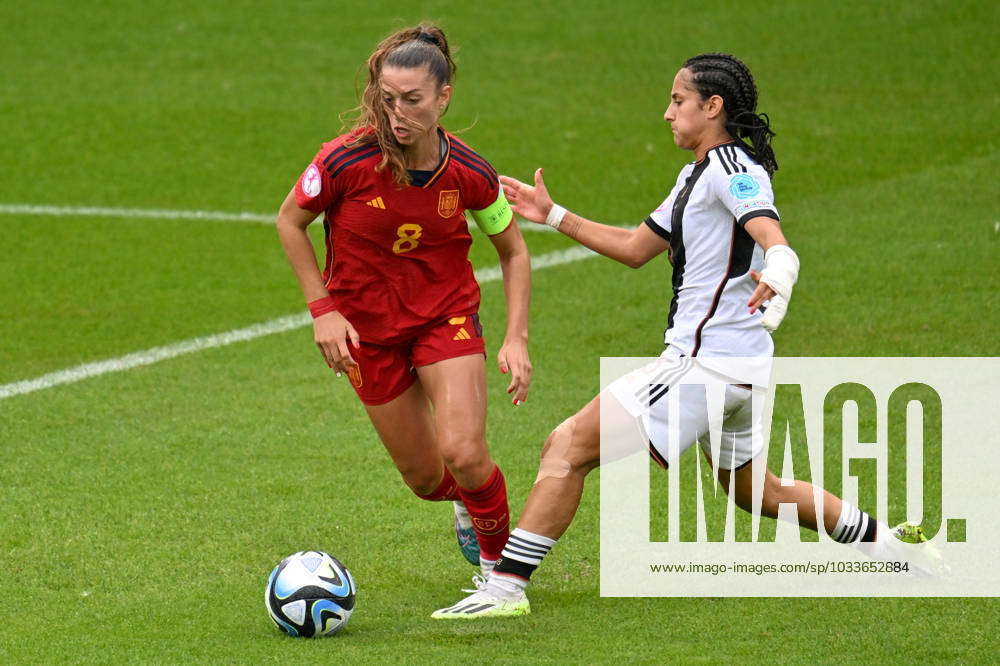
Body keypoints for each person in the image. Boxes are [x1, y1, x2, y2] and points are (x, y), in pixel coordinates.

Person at [432, 52, 927, 619]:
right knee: (756, 493)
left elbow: (767, 227)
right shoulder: (698, 173)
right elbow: (636, 248)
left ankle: (504, 588)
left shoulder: (731, 169)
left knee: (566, 448)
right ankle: (889, 546)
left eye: (677, 101)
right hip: (742, 372)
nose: (667, 114)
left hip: (703, 366)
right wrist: (554, 214)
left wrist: (782, 262)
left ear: (712, 107)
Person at [276, 24, 532, 577]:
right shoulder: (344, 160)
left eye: (413, 100)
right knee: (425, 479)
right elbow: (290, 221)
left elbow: (512, 251)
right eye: (388, 99)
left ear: (444, 97)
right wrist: (323, 310)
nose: (398, 113)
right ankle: (469, 499)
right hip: (365, 332)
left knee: (464, 451)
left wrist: (516, 336)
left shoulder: (469, 173)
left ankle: (501, 577)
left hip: (445, 317)